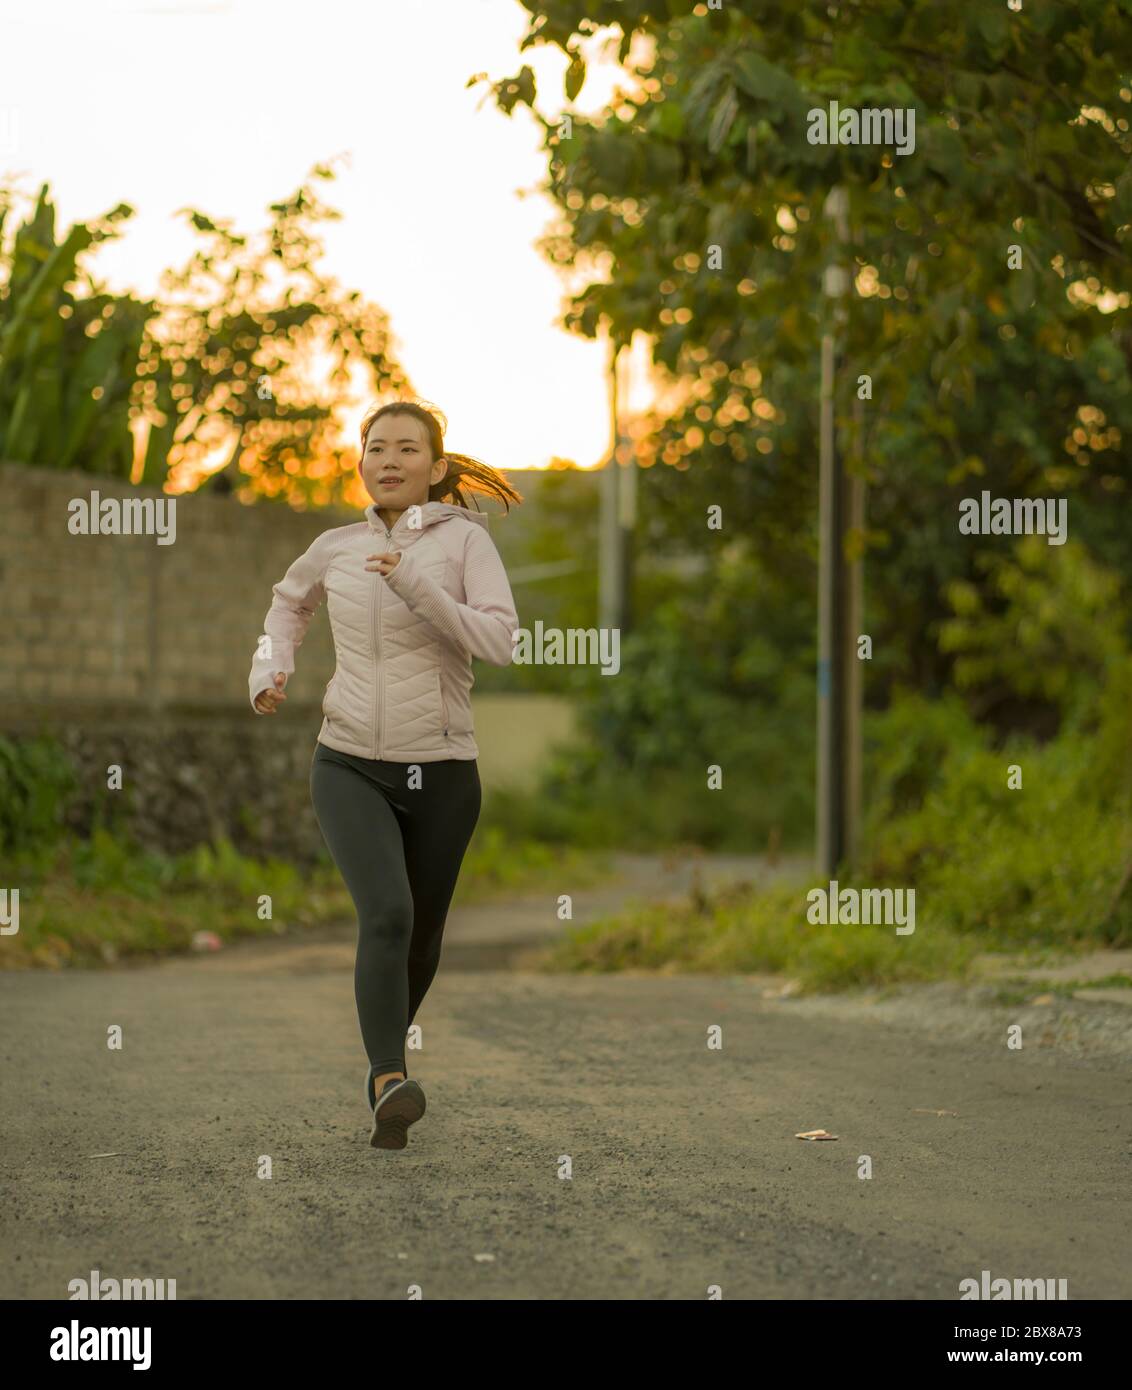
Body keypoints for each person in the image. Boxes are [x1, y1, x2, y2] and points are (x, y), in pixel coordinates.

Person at [247, 399, 521, 1150]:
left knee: (423, 941)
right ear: (361, 463)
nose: (389, 459)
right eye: (376, 448)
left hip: (442, 770)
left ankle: (383, 1065)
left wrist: (415, 586)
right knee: (388, 915)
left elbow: (499, 641)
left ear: (436, 469)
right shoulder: (333, 545)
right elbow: (287, 605)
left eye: (407, 448)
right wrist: (270, 671)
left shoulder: (466, 544)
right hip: (348, 764)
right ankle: (387, 1080)